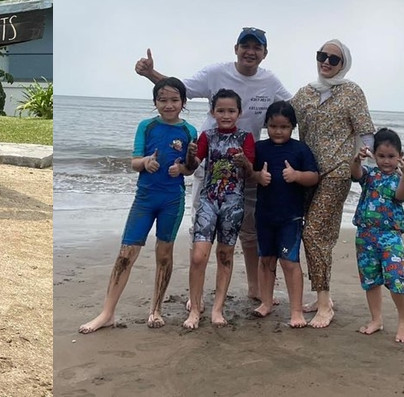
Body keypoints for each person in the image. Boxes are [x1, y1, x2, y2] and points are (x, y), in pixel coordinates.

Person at [136, 27, 291, 305]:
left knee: (249, 230)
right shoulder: (216, 73)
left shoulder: (270, 82)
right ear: (236, 48)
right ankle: (196, 293)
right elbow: (180, 90)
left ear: (265, 53)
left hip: (246, 166)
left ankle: (255, 288)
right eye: (246, 46)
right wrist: (150, 74)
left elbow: (295, 110)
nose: (250, 52)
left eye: (257, 48)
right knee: (202, 228)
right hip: (210, 164)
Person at [78, 77, 197, 334]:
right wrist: (145, 163)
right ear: (155, 102)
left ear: (183, 103)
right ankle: (107, 313)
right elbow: (133, 162)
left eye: (174, 100)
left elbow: (190, 167)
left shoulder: (189, 131)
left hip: (172, 200)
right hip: (144, 199)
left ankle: (155, 309)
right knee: (125, 254)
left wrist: (181, 168)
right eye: (163, 100)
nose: (168, 105)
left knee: (164, 254)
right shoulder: (146, 126)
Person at [289, 39, 375, 328]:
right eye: (322, 56)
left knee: (315, 234)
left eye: (334, 59)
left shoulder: (351, 91)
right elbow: (279, 118)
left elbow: (365, 131)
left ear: (344, 64)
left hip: (337, 172)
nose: (326, 62)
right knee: (310, 234)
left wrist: (371, 160)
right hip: (307, 174)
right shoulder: (305, 94)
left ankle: (325, 304)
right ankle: (320, 294)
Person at [181, 88, 255, 329]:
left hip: (233, 205)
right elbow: (193, 167)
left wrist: (245, 163)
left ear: (239, 113)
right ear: (212, 112)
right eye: (220, 110)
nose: (226, 115)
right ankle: (195, 308)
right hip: (208, 202)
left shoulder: (246, 138)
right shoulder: (207, 136)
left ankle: (217, 309)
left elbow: (250, 173)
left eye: (231, 111)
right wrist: (190, 156)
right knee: (198, 255)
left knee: (225, 255)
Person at [249, 101, 319, 327]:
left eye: (284, 127)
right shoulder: (260, 148)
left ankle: (296, 311)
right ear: (266, 125)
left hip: (290, 217)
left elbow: (314, 177)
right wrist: (259, 177)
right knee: (266, 259)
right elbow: (247, 174)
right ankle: (266, 302)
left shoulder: (300, 149)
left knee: (289, 262)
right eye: (273, 126)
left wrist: (297, 175)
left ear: (293, 127)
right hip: (264, 215)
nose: (278, 131)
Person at [350, 128, 404, 343]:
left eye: (392, 157)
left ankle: (403, 321)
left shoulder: (399, 179)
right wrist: (357, 159)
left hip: (390, 236)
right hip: (365, 235)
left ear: (400, 157)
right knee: (370, 279)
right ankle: (376, 319)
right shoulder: (370, 175)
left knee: (395, 278)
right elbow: (355, 174)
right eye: (382, 156)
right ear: (374, 155)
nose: (386, 161)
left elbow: (402, 196)